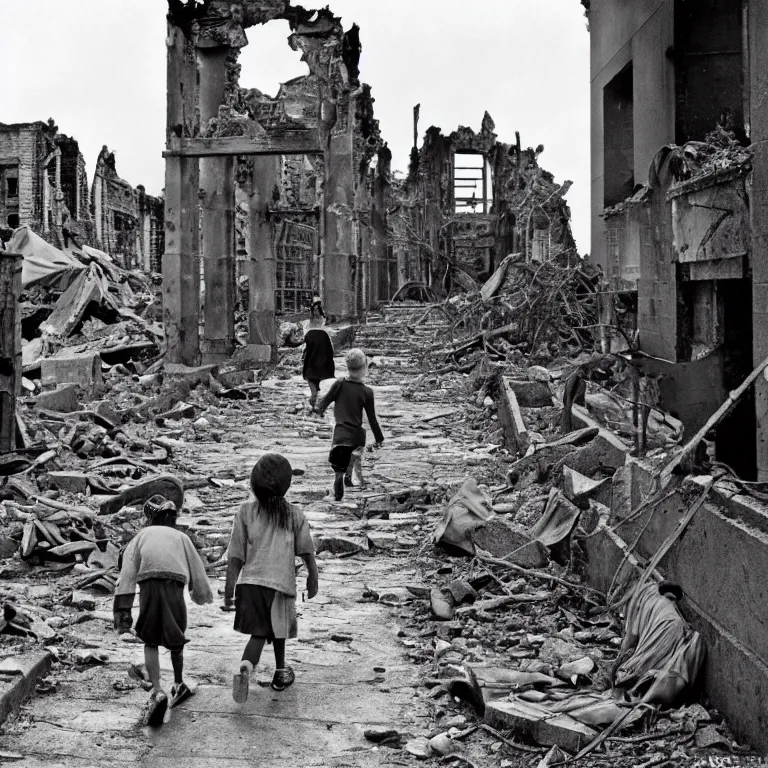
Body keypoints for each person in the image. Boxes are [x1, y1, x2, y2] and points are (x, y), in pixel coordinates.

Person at [224, 453, 318, 703]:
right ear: (286, 485)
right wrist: (313, 577)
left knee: (258, 632)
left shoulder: (245, 512)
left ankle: (247, 665)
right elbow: (306, 549)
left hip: (250, 585)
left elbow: (235, 555)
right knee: (278, 632)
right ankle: (279, 671)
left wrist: (228, 588)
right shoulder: (293, 514)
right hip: (280, 585)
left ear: (254, 484)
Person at [113, 495, 213, 726]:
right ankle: (178, 684)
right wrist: (201, 594)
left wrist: (123, 608)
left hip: (148, 583)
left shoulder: (141, 536)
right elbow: (197, 569)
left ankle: (157, 690)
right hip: (175, 584)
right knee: (176, 636)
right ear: (172, 518)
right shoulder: (181, 537)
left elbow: (127, 571)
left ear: (150, 518)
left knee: (150, 638)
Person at [314, 348, 384, 501]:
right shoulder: (367, 392)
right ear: (365, 368)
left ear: (347, 366)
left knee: (339, 459)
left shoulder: (340, 384)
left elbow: (325, 400)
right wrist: (379, 438)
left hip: (340, 434)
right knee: (356, 452)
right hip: (357, 437)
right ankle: (350, 472)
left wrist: (318, 410)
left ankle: (340, 474)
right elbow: (372, 419)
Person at [302, 315, 335, 409]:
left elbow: (306, 351)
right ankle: (317, 401)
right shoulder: (324, 335)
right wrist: (330, 366)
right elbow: (330, 351)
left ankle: (313, 398)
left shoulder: (309, 335)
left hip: (311, 365)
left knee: (312, 382)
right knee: (318, 384)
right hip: (322, 366)